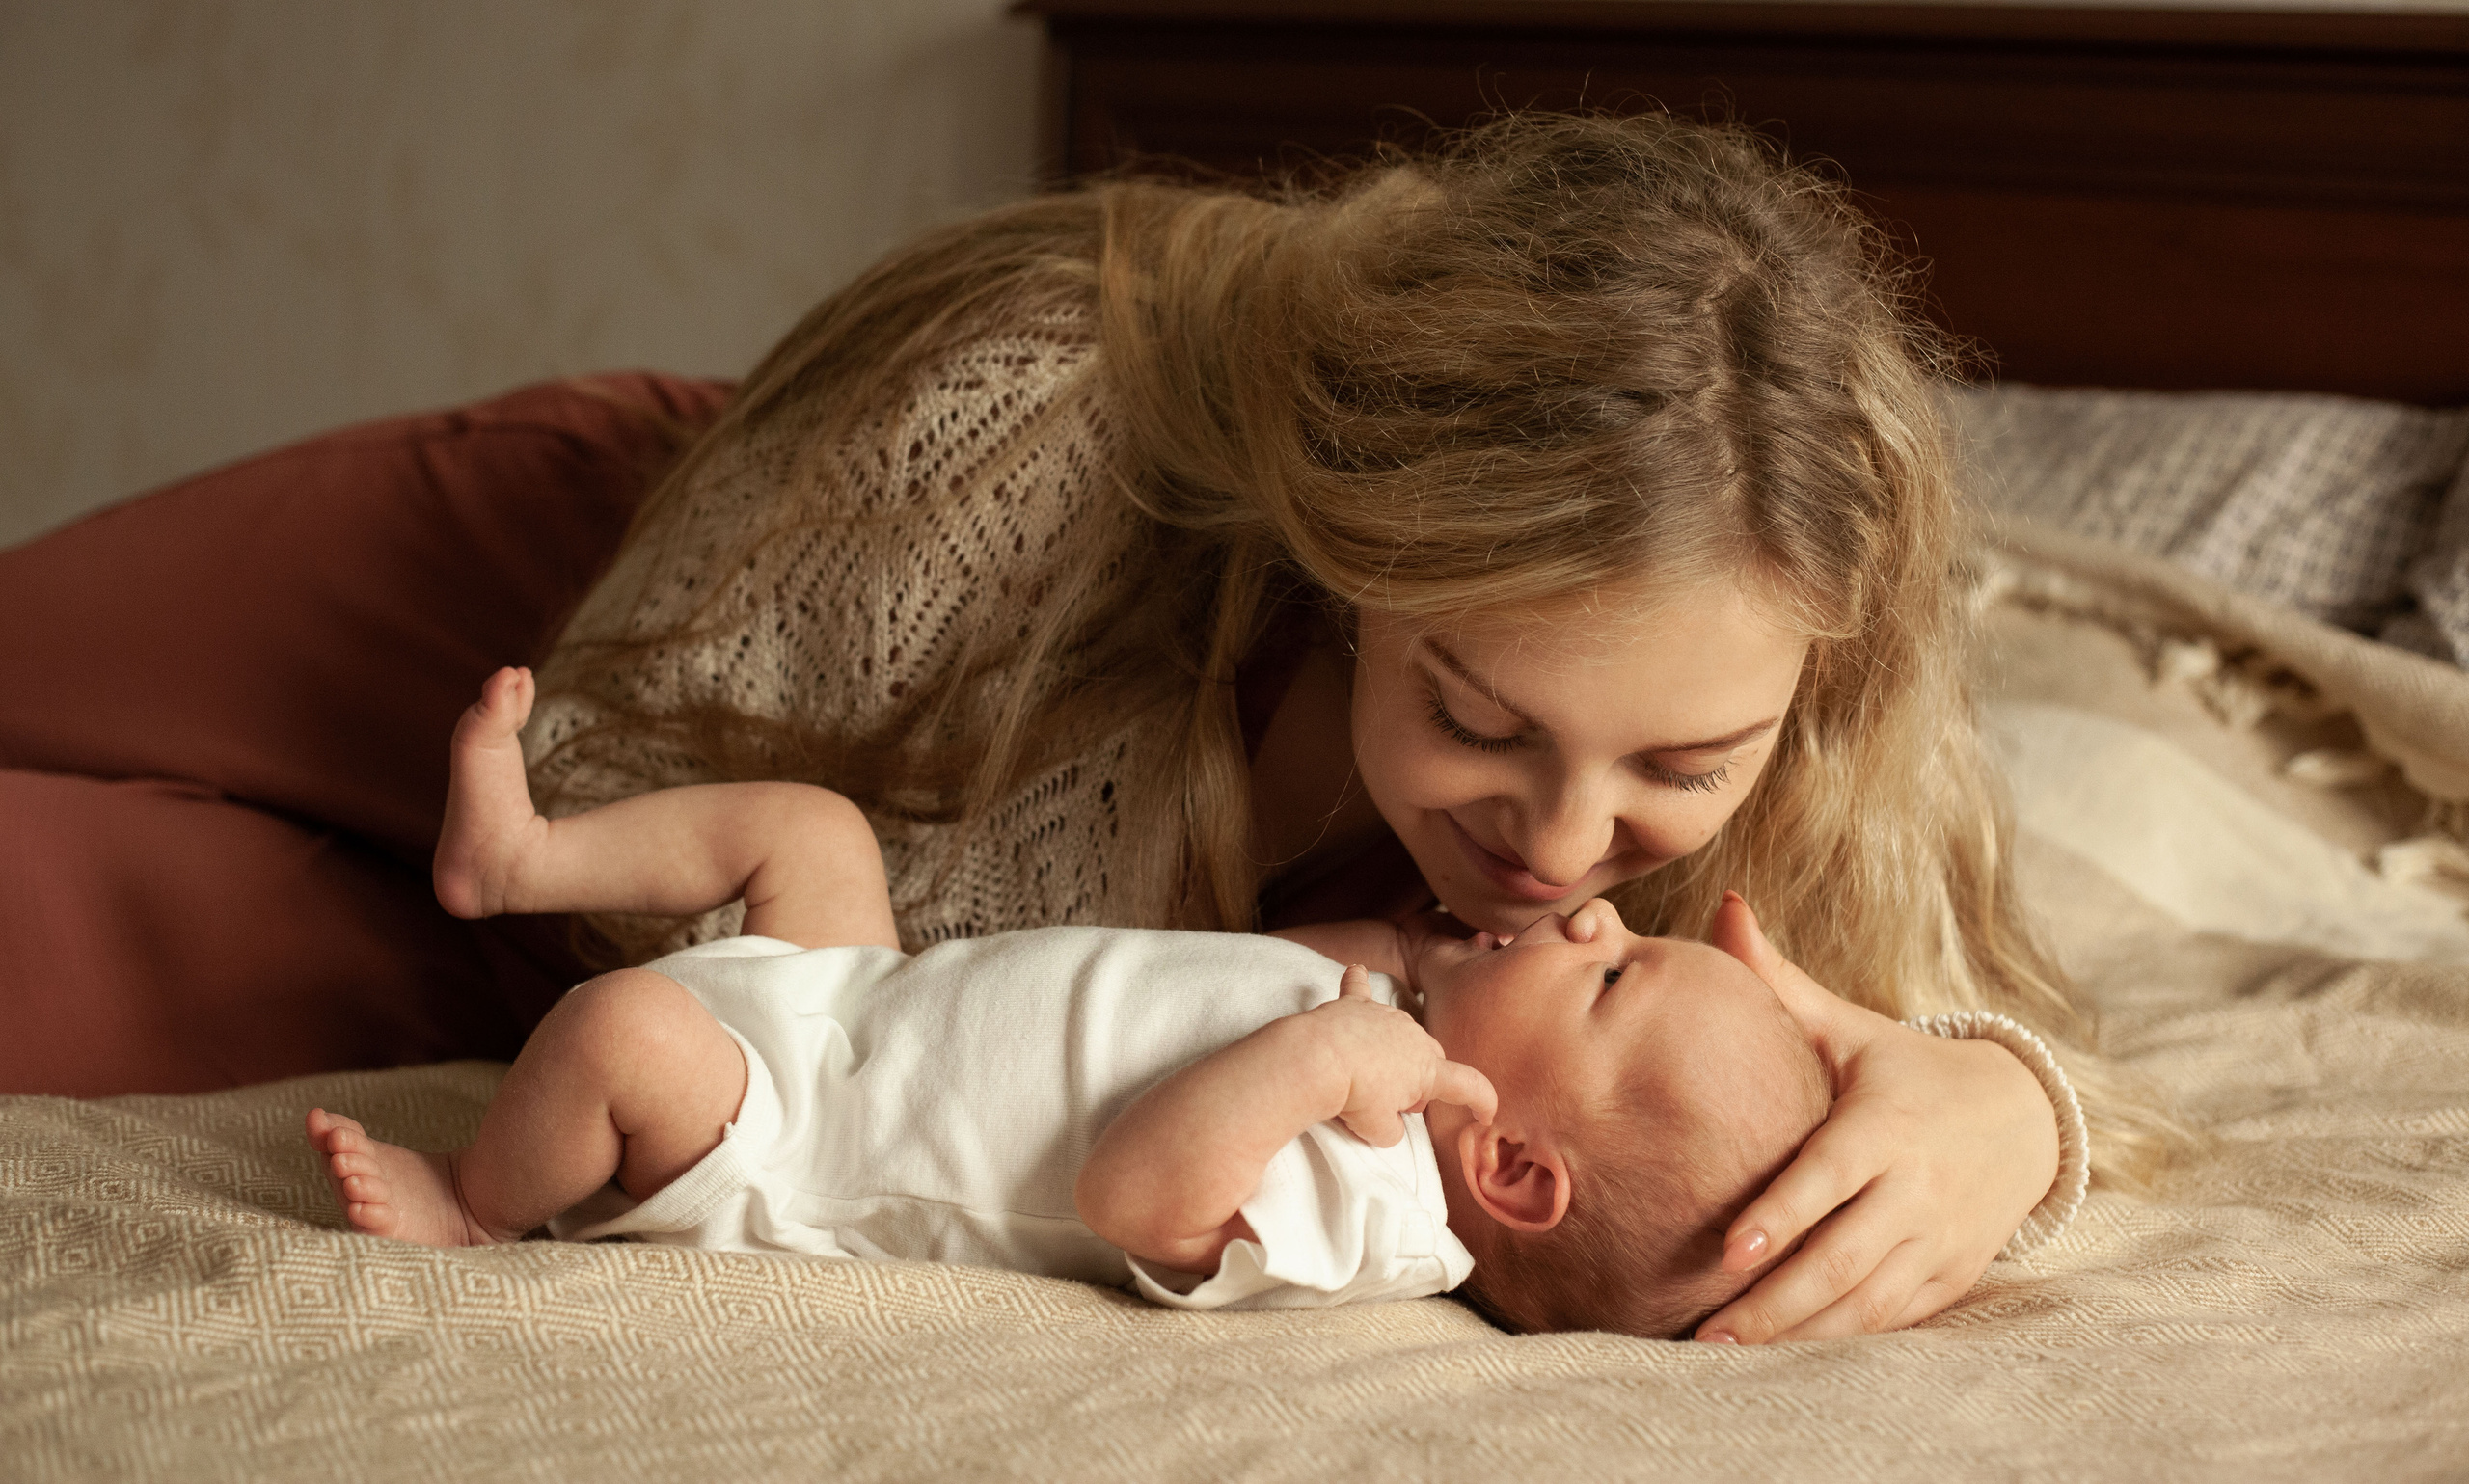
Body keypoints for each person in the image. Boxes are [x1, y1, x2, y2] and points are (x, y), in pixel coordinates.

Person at [514, 111, 2156, 1344]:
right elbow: (594, 778)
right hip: (582, 577)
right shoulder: (1005, 437)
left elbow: (1930, 1016)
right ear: (1347, 563)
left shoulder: (1816, 668)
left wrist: (2013, 1112)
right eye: (1477, 715)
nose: (1567, 853)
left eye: (1682, 768)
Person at [308, 665, 1838, 1337]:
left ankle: (478, 1204)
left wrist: (1327, 1053)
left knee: (617, 1035)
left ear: (1509, 1167)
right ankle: (515, 857)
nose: (1587, 913)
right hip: (873, 997)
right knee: (814, 833)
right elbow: (1248, 973)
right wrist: (1423, 973)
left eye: (1614, 972)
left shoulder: (1375, 1218)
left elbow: (1136, 1194)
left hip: (799, 1139)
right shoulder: (1404, 1024)